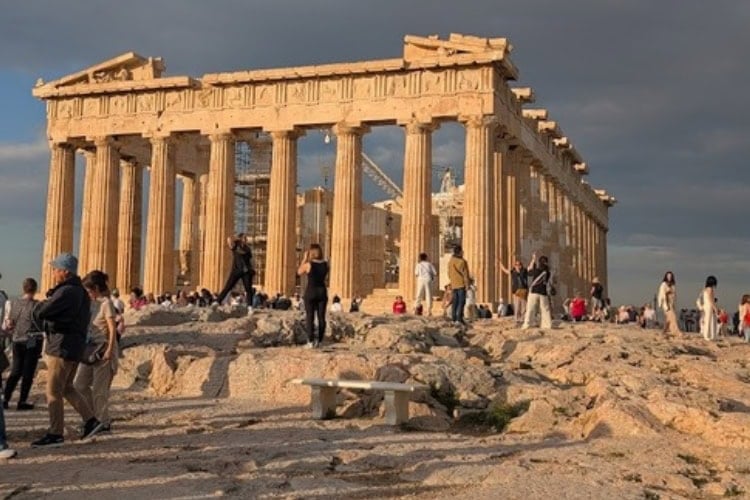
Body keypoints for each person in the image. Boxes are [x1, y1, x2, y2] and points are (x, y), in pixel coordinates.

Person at [31, 253, 104, 447]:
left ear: (65, 271)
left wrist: (40, 306)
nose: (53, 273)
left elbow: (44, 311)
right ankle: (91, 421)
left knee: (53, 391)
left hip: (61, 346)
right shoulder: (80, 291)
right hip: (74, 346)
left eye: (55, 270)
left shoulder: (66, 291)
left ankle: (55, 434)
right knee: (67, 387)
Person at [74, 271, 118, 433]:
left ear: (97, 288)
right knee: (79, 385)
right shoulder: (90, 303)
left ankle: (103, 422)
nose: (87, 293)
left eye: (89, 290)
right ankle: (93, 417)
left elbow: (112, 329)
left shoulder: (106, 303)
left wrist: (109, 350)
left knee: (100, 389)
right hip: (88, 351)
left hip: (103, 350)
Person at [2, 278, 44, 410]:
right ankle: (22, 401)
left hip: (17, 339)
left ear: (23, 288)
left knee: (15, 370)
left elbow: (10, 322)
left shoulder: (14, 303)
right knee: (28, 372)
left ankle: (6, 399)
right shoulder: (38, 305)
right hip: (32, 339)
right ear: (35, 289)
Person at [297, 243, 329, 348]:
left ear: (311, 253)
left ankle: (310, 341)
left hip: (311, 291)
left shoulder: (309, 264)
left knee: (310, 317)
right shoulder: (326, 264)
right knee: (321, 317)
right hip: (322, 291)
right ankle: (320, 341)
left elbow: (299, 272)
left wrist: (304, 259)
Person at [216, 233, 255, 306]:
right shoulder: (236, 246)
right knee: (228, 287)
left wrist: (252, 270)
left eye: (246, 238)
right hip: (236, 270)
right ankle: (218, 301)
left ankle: (250, 306)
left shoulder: (247, 249)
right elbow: (229, 240)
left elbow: (249, 260)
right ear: (240, 239)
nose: (246, 239)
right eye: (244, 238)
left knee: (248, 289)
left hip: (246, 271)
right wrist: (236, 237)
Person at [522, 253, 552, 329]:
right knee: (545, 310)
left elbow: (529, 271)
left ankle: (528, 324)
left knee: (530, 309)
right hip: (543, 293)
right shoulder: (548, 272)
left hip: (534, 292)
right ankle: (547, 325)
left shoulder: (537, 270)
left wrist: (533, 259)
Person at [499, 259, 528, 325]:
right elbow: (506, 271)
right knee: (517, 305)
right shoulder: (513, 271)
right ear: (514, 266)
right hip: (516, 291)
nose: (517, 266)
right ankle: (517, 319)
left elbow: (530, 268)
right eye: (516, 265)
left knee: (523, 305)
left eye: (519, 264)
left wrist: (533, 259)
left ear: (521, 265)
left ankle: (522, 319)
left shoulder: (524, 271)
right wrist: (501, 265)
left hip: (523, 291)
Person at [447, 245, 470, 324]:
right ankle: (459, 318)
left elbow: (449, 273)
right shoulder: (462, 262)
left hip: (454, 284)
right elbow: (465, 274)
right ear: (460, 252)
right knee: (461, 302)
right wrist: (467, 285)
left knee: (455, 302)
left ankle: (453, 318)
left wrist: (452, 280)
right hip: (461, 284)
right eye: (462, 251)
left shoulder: (451, 261)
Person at [657, 271, 681, 336]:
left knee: (668, 319)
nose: (669, 277)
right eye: (668, 276)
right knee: (672, 317)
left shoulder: (673, 285)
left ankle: (664, 331)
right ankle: (676, 331)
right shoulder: (664, 284)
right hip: (666, 303)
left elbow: (674, 295)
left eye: (670, 276)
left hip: (671, 303)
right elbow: (662, 294)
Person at [698, 276, 719, 341]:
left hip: (705, 306)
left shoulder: (704, 289)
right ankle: (709, 336)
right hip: (709, 306)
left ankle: (707, 335)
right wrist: (715, 308)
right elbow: (711, 300)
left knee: (707, 320)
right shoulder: (710, 289)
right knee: (710, 321)